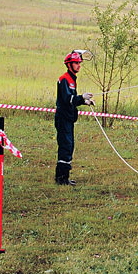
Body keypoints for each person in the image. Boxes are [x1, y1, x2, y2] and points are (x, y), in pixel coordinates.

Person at [55, 50, 94, 186]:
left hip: (69, 119)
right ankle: (61, 178)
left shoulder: (72, 79)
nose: (79, 65)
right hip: (63, 119)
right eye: (76, 63)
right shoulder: (64, 79)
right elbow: (67, 99)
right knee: (66, 146)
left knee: (69, 146)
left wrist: (84, 101)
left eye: (79, 63)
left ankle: (64, 177)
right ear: (69, 64)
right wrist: (81, 97)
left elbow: (73, 100)